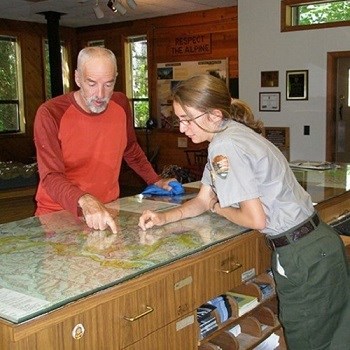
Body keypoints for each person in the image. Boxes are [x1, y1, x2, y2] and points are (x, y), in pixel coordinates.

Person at [138, 74, 350, 349]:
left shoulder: (224, 146)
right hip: (320, 244)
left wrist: (219, 208)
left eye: (187, 119)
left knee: (310, 342)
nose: (182, 128)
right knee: (337, 337)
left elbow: (254, 218)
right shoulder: (230, 133)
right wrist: (164, 217)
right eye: (178, 119)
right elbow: (203, 199)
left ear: (214, 114)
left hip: (302, 257)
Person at [34, 46, 172, 234]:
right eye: (92, 83)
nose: (100, 94)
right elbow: (50, 176)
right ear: (77, 78)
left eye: (108, 84)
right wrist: (85, 200)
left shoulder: (120, 104)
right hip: (59, 214)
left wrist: (155, 180)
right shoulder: (50, 113)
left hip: (108, 209)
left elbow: (130, 148)